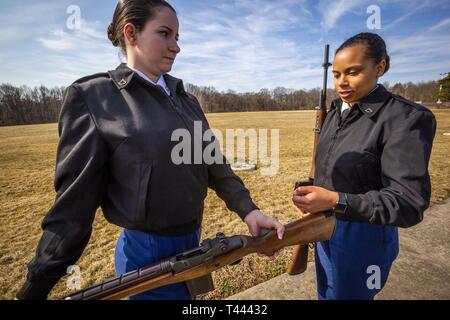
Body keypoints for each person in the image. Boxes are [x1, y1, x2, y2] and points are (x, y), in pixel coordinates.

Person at [16, 0, 284, 300]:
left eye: (177, 37)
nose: (176, 46)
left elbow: (214, 164)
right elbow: (73, 206)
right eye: (165, 34)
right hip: (145, 258)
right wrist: (34, 287)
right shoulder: (93, 97)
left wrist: (250, 211)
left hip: (194, 246)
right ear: (131, 34)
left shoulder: (186, 99)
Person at [292, 32, 436, 300]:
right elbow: (326, 169)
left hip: (364, 237)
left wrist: (337, 200)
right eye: (336, 74)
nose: (342, 83)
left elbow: (408, 203)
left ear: (380, 67)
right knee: (327, 294)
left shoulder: (404, 118)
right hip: (324, 228)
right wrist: (310, 192)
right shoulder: (335, 112)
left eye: (353, 72)